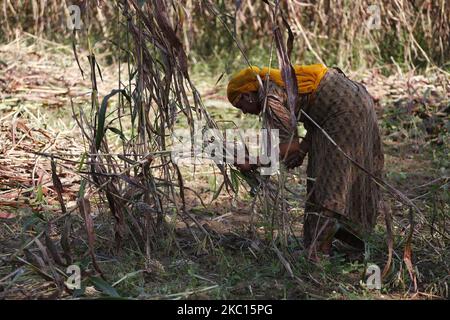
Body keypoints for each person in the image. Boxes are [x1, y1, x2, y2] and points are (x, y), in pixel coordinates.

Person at [227, 64, 385, 260]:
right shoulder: (276, 86)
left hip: (346, 112)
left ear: (247, 95)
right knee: (321, 174)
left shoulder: (270, 98)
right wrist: (302, 150)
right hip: (351, 102)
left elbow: (288, 148)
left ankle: (319, 252)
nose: (244, 112)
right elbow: (317, 113)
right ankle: (335, 245)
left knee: (332, 181)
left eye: (241, 106)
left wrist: (253, 162)